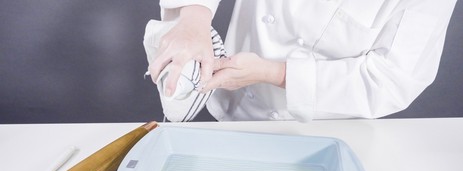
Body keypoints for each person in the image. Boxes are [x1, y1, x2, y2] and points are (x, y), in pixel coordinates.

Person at [147, 0, 457, 122]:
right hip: (235, 111)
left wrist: (273, 73)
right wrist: (193, 16)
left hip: (332, 130)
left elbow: (391, 80)